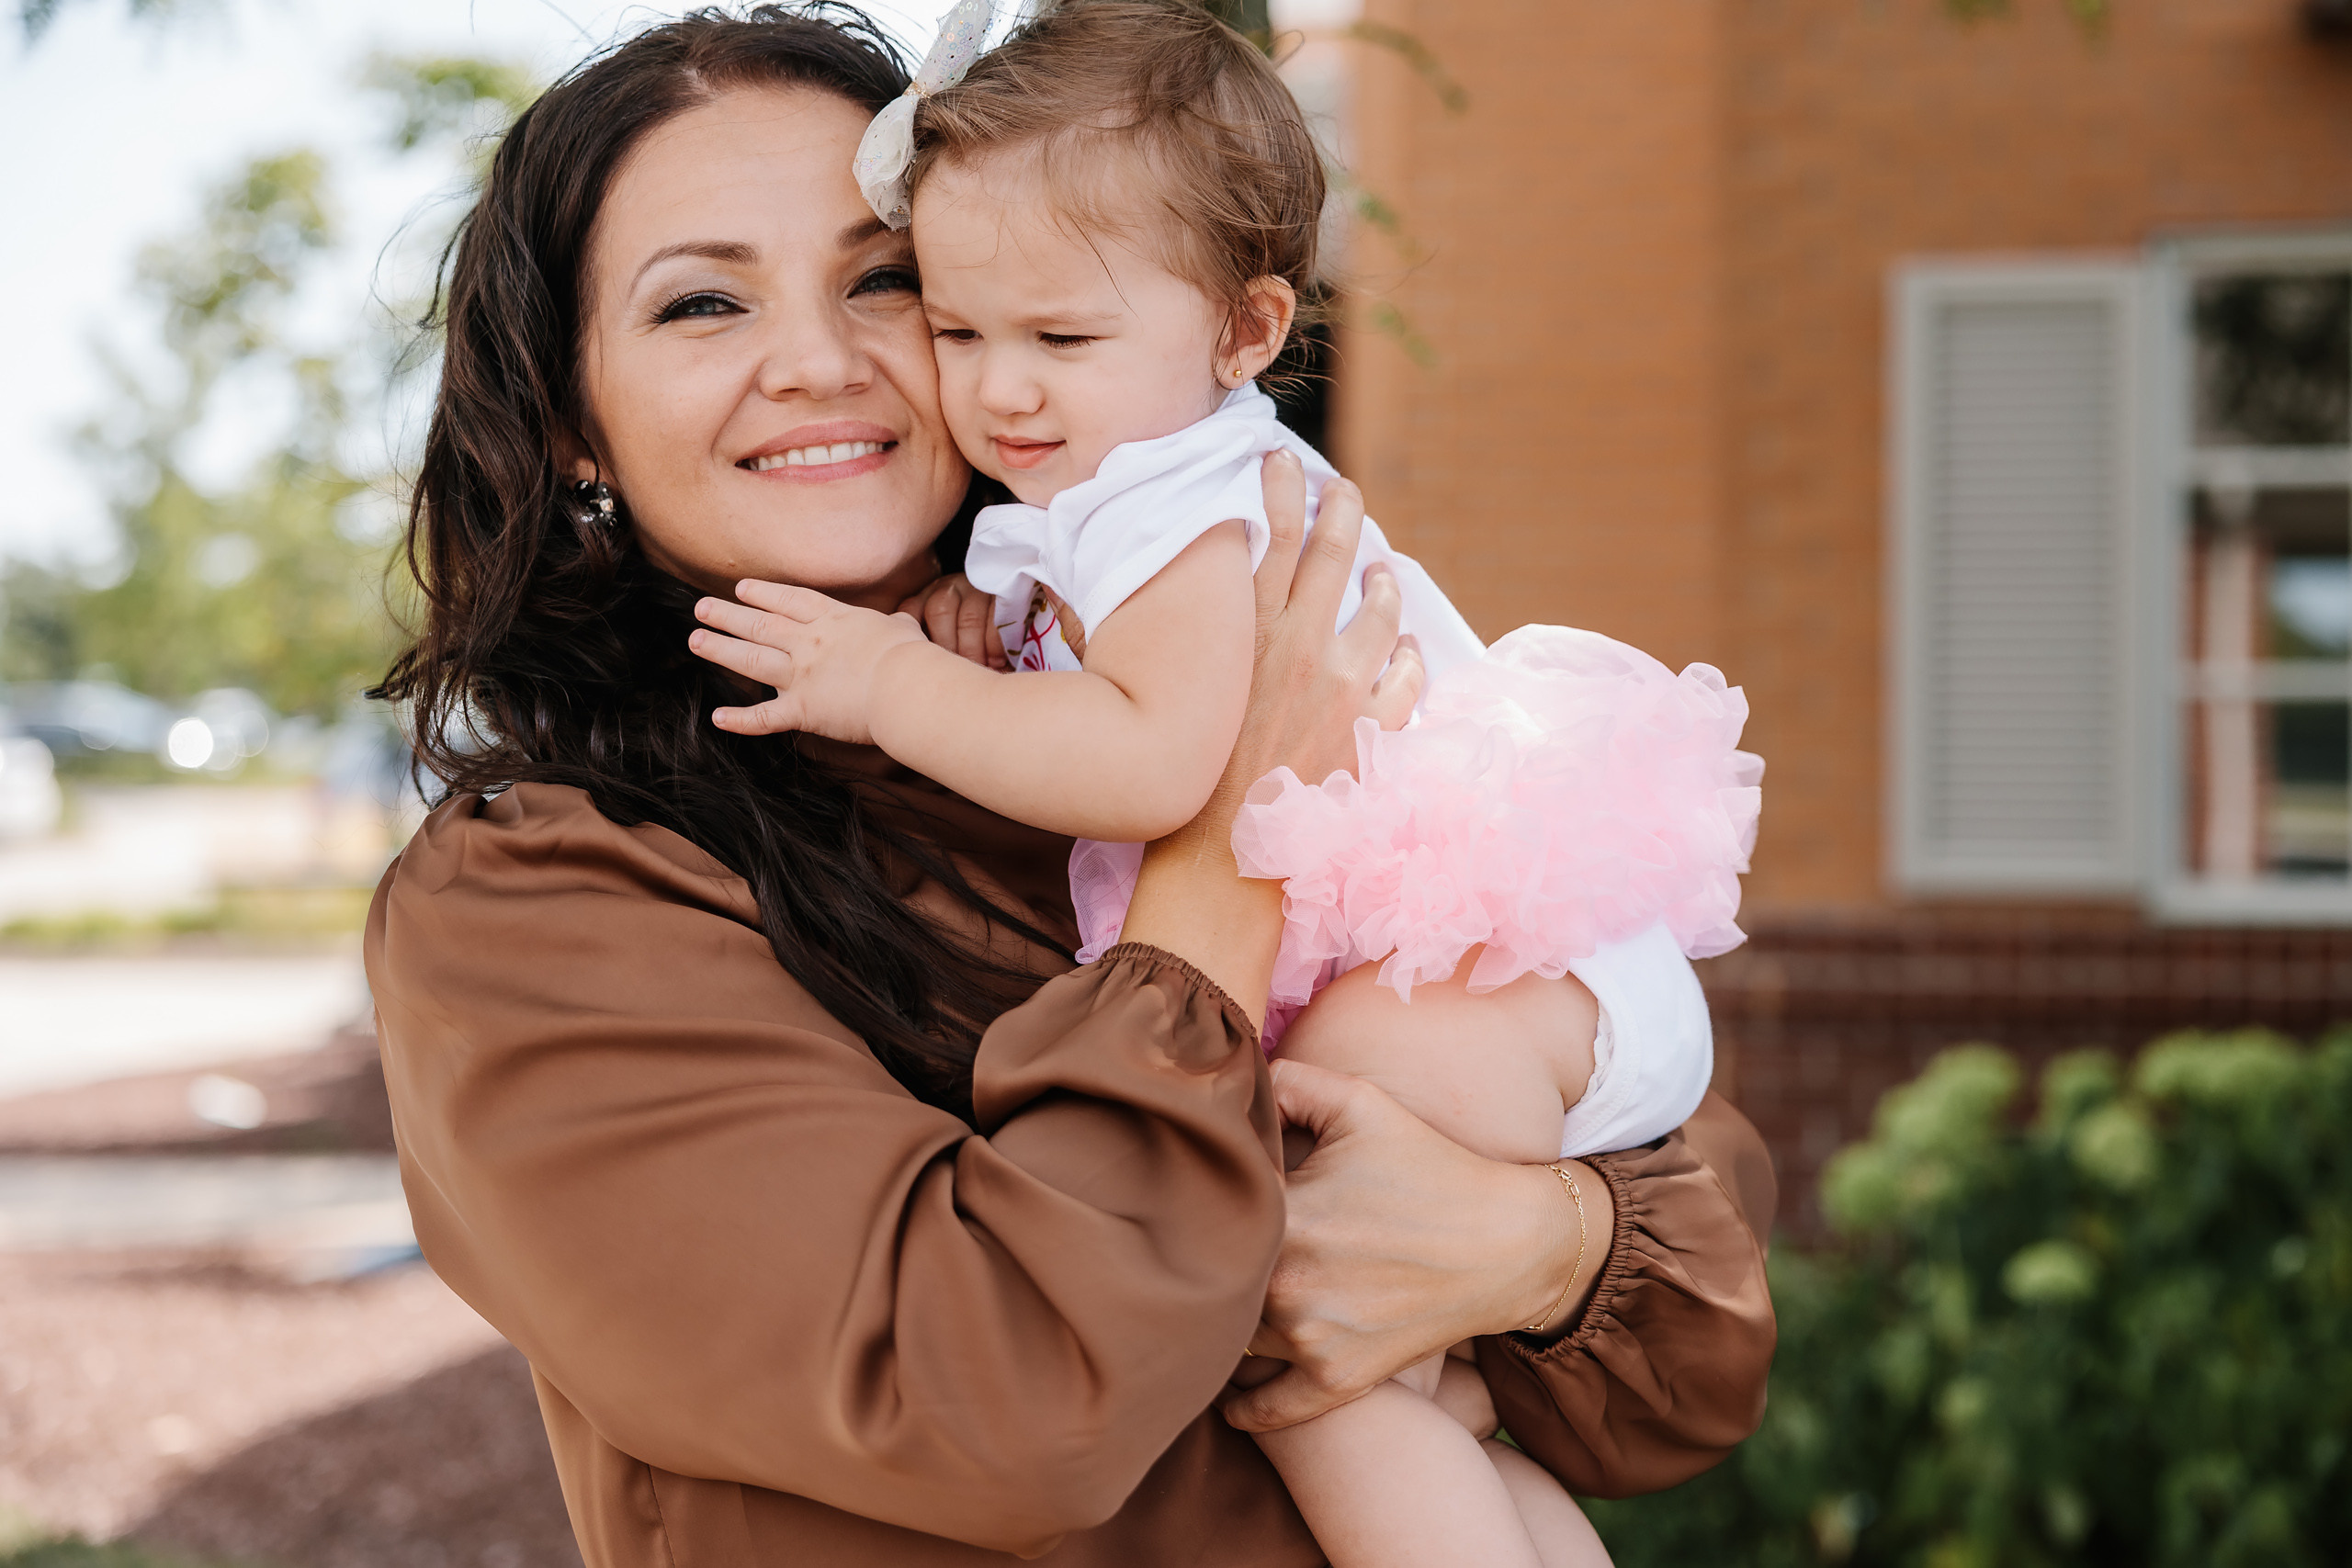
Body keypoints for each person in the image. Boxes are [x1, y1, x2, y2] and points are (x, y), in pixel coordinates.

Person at [363, 7, 1778, 1567]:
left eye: (882, 278)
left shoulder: (1109, 662)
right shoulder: (543, 899)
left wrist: (1536, 1244)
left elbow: (1694, 1354)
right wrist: (1235, 839)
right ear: (574, 423)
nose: (820, 360)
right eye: (703, 302)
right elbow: (1004, 1398)